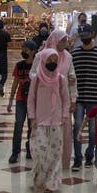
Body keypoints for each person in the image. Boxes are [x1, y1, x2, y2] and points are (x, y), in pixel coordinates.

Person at [31, 28, 76, 169]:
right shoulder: (41, 56)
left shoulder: (68, 57)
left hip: (62, 100)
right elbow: (33, 74)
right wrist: (46, 79)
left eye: (66, 40)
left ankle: (60, 163)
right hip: (43, 99)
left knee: (63, 132)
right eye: (63, 40)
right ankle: (43, 163)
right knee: (42, 132)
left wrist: (73, 98)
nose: (66, 43)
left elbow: (72, 77)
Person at [27, 48, 70, 193]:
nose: (52, 63)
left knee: (55, 153)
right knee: (40, 151)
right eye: (49, 60)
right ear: (43, 60)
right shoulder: (37, 79)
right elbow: (31, 99)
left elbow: (65, 99)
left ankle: (52, 183)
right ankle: (39, 177)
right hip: (40, 121)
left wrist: (64, 116)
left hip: (56, 121)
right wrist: (32, 117)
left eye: (55, 60)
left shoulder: (60, 79)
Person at [70, 23, 97, 172]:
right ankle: (77, 158)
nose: (84, 38)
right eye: (82, 36)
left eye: (86, 35)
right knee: (77, 127)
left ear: (92, 34)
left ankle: (89, 155)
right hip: (78, 97)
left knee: (93, 129)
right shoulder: (75, 54)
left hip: (94, 97)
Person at [7, 39, 37, 163]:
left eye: (26, 49)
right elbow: (15, 83)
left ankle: (30, 148)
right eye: (23, 49)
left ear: (33, 51)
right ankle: (15, 151)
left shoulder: (37, 66)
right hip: (20, 99)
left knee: (32, 126)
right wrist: (10, 100)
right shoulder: (19, 65)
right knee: (18, 124)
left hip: (33, 100)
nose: (23, 51)